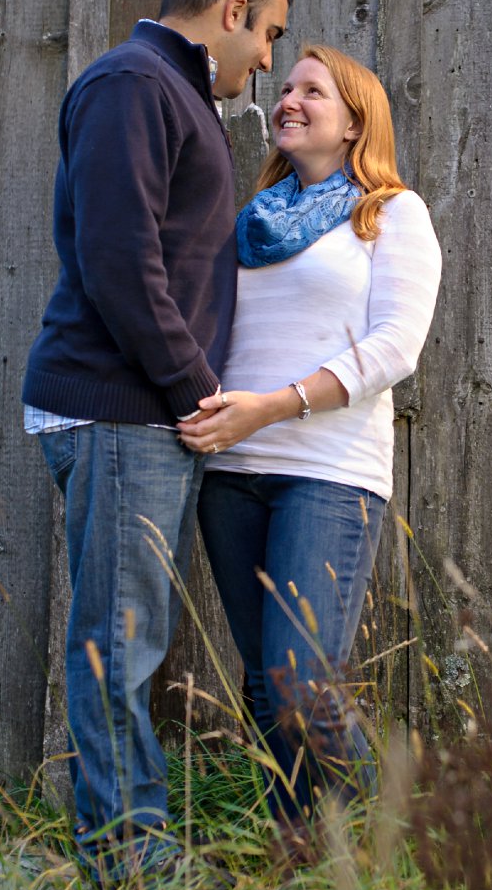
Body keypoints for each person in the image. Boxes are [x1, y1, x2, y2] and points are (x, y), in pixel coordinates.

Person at [19, 0, 290, 890]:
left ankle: (126, 844)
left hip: (142, 412)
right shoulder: (134, 85)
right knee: (120, 641)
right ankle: (130, 863)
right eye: (269, 34)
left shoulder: (171, 95)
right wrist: (194, 392)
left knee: (129, 635)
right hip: (124, 409)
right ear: (232, 11)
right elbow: (121, 262)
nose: (270, 60)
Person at [179, 43, 442, 843]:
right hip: (231, 473)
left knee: (303, 683)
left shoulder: (391, 214)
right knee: (267, 691)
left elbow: (396, 346)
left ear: (356, 118)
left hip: (325, 474)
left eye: (312, 90)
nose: (288, 98)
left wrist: (272, 407)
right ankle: (311, 871)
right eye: (285, 86)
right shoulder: (250, 222)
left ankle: (405, 852)